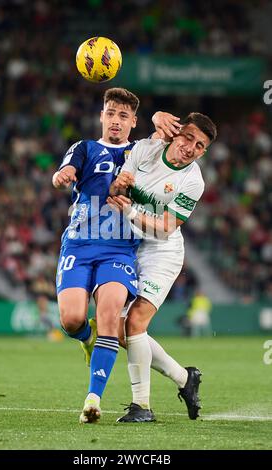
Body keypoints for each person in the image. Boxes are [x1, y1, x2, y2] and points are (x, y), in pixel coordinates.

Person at [52, 88, 179, 424]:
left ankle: (93, 400)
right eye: (111, 113)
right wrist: (60, 176)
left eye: (124, 116)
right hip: (78, 246)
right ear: (101, 117)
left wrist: (157, 118)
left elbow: (165, 147)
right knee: (71, 320)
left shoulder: (140, 153)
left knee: (111, 316)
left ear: (132, 122)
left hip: (118, 249)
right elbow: (62, 173)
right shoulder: (84, 148)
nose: (116, 121)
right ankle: (85, 337)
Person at [107, 112, 217, 422]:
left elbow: (166, 228)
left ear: (203, 152)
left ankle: (142, 407)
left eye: (200, 145)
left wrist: (128, 210)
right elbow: (119, 187)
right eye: (188, 137)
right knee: (118, 329)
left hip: (162, 252)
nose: (191, 147)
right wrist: (119, 187)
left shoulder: (193, 180)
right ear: (176, 133)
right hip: (130, 245)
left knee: (136, 322)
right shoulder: (145, 149)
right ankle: (185, 378)